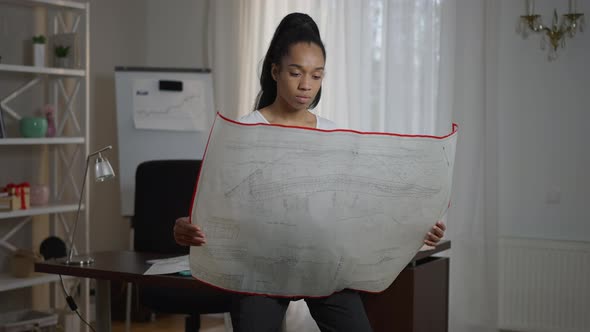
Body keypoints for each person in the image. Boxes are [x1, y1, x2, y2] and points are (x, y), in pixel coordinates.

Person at [174, 12, 446, 332]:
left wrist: (416, 228)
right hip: (260, 268)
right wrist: (182, 228)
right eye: (296, 73)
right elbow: (208, 210)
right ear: (276, 71)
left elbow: (360, 210)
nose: (306, 86)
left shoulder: (333, 134)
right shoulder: (243, 131)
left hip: (322, 265)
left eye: (317, 76)